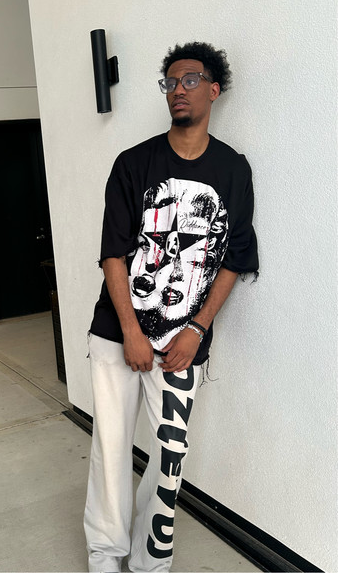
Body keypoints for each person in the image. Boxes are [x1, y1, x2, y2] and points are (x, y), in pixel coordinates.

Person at [84, 42, 259, 572]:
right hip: (118, 332)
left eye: (190, 80)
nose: (178, 90)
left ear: (214, 90)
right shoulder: (133, 164)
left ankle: (149, 559)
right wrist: (132, 331)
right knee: (111, 449)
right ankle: (105, 553)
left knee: (169, 458)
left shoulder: (233, 169)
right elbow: (114, 254)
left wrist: (197, 329)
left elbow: (235, 258)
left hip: (184, 342)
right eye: (170, 82)